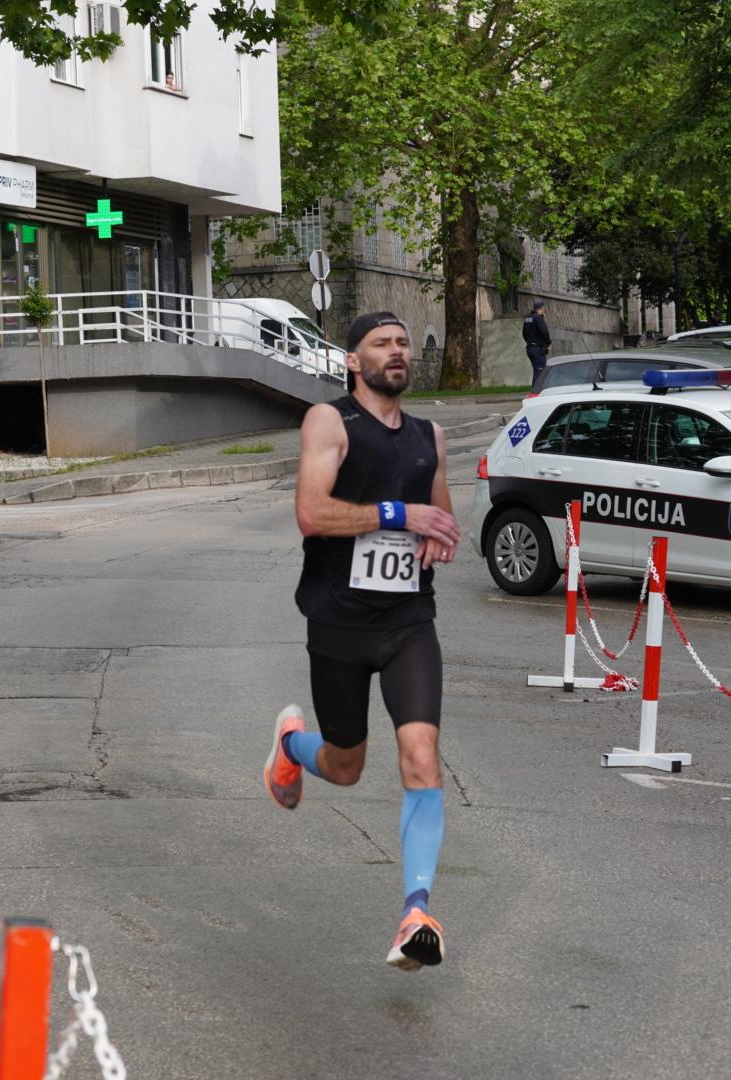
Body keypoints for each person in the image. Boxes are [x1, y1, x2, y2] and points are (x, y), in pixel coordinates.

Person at [263, 311, 463, 970]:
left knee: (422, 756)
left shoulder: (428, 434)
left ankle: (416, 912)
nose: (396, 351)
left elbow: (440, 516)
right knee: (346, 766)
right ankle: (291, 745)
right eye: (382, 343)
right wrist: (396, 514)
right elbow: (312, 513)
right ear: (353, 361)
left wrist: (437, 532)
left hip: (408, 623)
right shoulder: (330, 422)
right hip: (339, 624)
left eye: (404, 342)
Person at [522, 300, 551, 390]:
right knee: (540, 372)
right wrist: (548, 343)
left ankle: (535, 391)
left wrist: (530, 341)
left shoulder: (527, 318)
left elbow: (524, 333)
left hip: (530, 348)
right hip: (537, 349)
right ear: (542, 308)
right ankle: (536, 393)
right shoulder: (538, 318)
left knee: (537, 371)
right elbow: (544, 331)